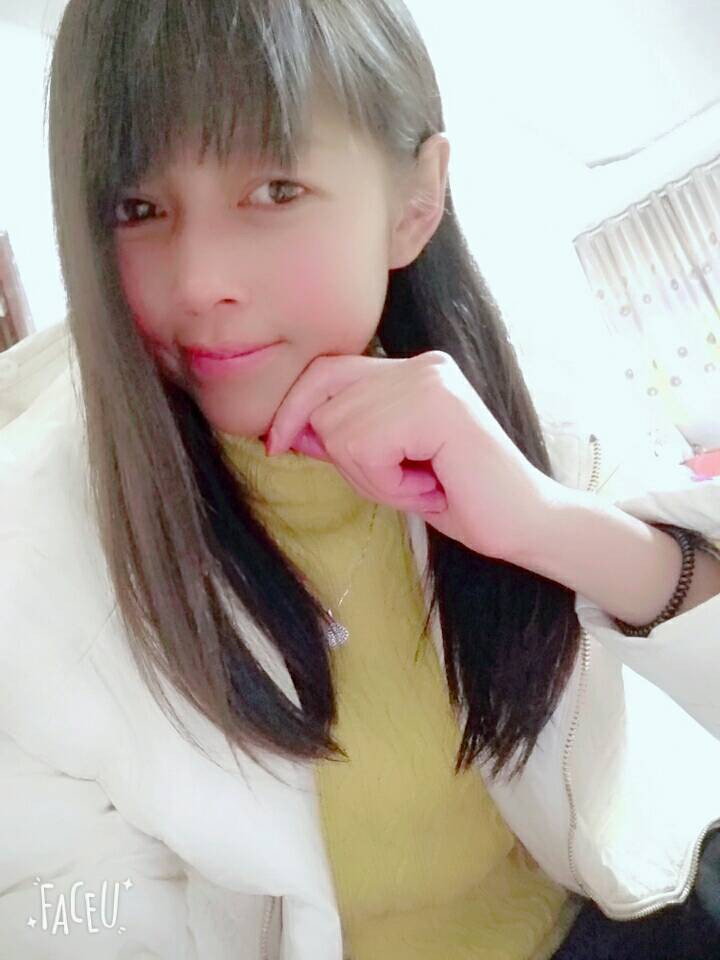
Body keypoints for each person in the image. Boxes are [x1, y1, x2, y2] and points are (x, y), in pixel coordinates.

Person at [1, 1, 720, 957]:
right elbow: (56, 915)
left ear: (414, 203)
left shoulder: (529, 396)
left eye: (275, 189)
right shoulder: (37, 561)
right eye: (139, 209)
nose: (197, 281)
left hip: (626, 914)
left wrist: (543, 524)